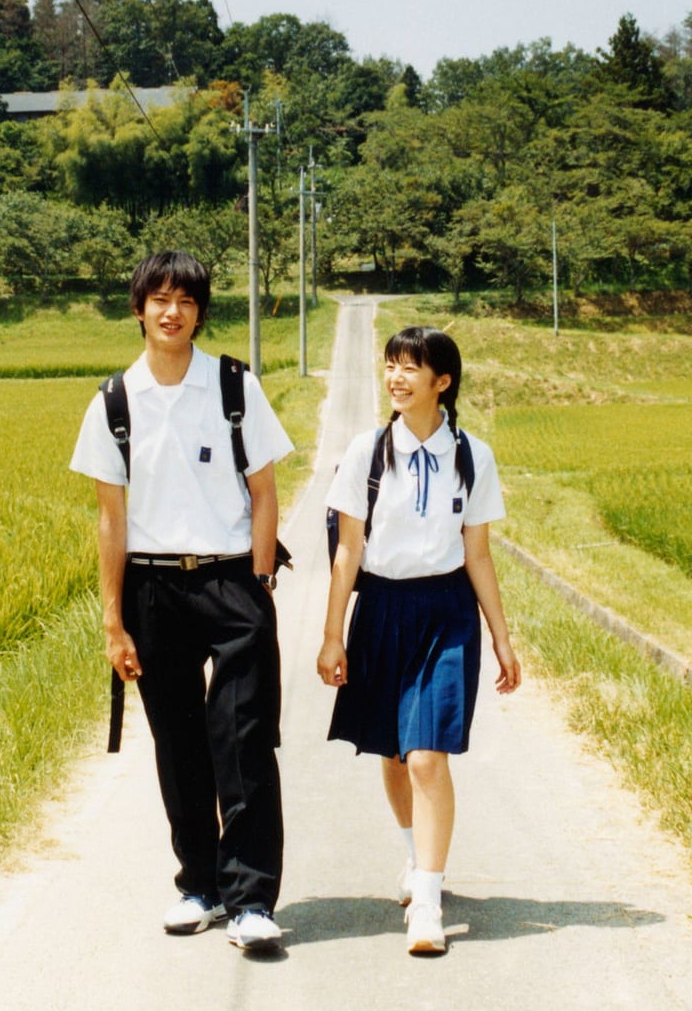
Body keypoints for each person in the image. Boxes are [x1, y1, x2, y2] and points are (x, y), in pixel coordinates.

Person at [69, 251, 293, 953]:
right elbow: (111, 517)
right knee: (180, 746)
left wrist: (258, 581)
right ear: (138, 309)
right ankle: (200, 885)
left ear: (200, 310)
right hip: (153, 589)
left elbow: (264, 490)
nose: (172, 311)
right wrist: (113, 619)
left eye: (185, 300)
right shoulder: (113, 401)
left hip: (231, 582)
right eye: (159, 299)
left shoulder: (233, 385)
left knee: (245, 740)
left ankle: (252, 898)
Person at [316, 325, 521, 956]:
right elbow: (349, 549)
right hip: (381, 607)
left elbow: (479, 555)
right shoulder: (365, 453)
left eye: (411, 368)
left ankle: (427, 901)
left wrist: (502, 638)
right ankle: (414, 856)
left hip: (446, 610)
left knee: (429, 754)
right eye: (391, 365)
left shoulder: (473, 456)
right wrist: (332, 635)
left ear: (443, 381)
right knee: (395, 752)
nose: (397, 378)